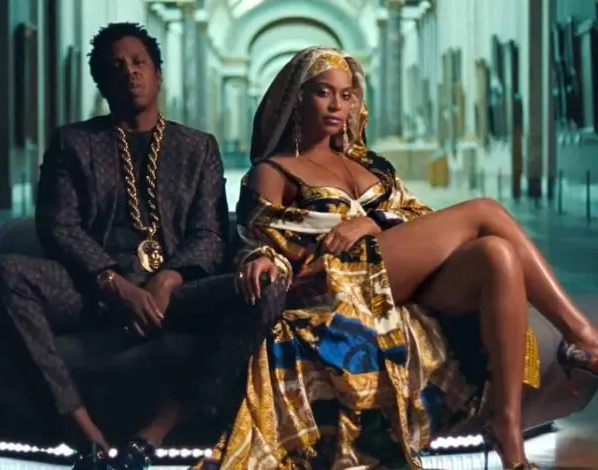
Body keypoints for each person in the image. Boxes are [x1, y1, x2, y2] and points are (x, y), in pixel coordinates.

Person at [195, 46, 598, 470]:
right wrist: (265, 260)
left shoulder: (372, 166)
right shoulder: (274, 170)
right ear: (296, 97)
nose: (336, 106)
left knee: (496, 254)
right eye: (323, 92)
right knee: (484, 211)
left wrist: (372, 222)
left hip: (398, 275)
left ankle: (507, 427)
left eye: (347, 95)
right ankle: (584, 339)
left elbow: (421, 218)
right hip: (337, 280)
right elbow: (259, 238)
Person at [0, 23, 285, 470]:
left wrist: (167, 280)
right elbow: (59, 227)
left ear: (158, 74)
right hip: (90, 289)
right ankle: (82, 431)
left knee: (268, 289)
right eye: (116, 67)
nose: (130, 73)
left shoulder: (197, 147)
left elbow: (210, 233)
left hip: (176, 294)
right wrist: (113, 284)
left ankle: (157, 431)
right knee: (1, 272)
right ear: (103, 83)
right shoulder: (73, 143)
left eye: (139, 62)